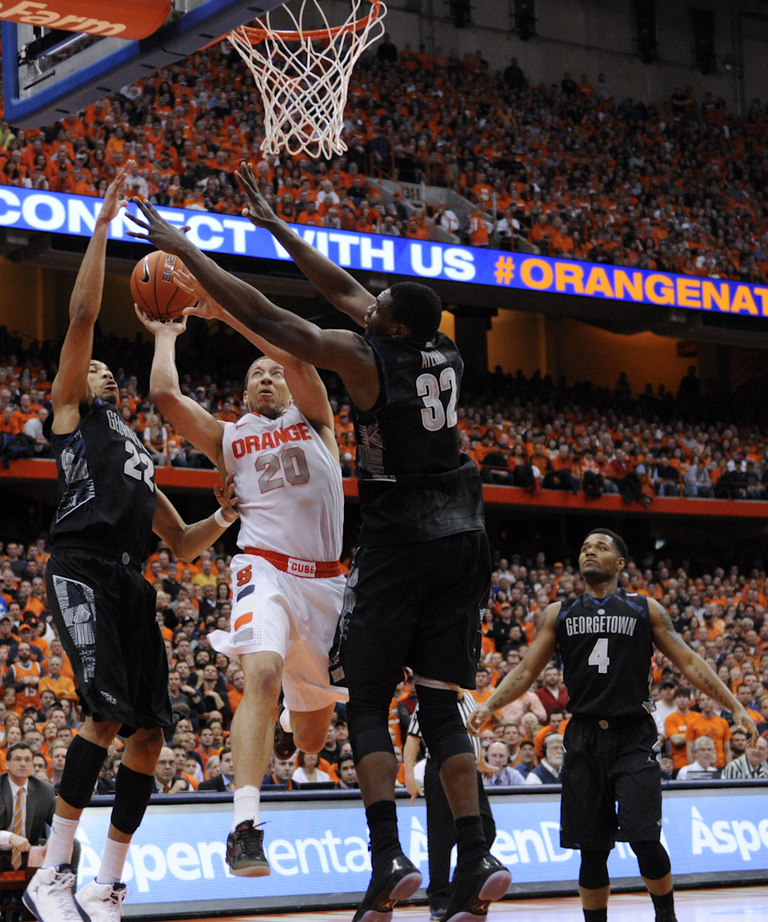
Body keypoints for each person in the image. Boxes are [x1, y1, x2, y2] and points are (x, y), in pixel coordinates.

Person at [126, 163, 511, 922]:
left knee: (361, 700)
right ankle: (475, 854)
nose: (365, 315)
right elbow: (345, 294)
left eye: (376, 315)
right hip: (463, 531)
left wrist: (189, 253)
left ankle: (389, 859)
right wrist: (277, 229)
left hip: (393, 541)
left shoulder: (356, 374)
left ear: (390, 328)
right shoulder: (441, 352)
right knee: (437, 705)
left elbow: (284, 325)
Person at [23, 162, 239, 922]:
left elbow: (180, 543)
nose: (105, 371)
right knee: (105, 715)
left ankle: (105, 882)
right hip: (80, 567)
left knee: (149, 734)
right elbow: (82, 319)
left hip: (132, 580)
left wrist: (226, 515)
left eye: (115, 370)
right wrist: (103, 227)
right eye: (98, 369)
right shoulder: (72, 416)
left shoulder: (139, 451)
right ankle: (51, 874)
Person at [136, 270, 347, 878]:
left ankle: (286, 723)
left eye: (273, 370)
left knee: (310, 739)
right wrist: (168, 333)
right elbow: (167, 399)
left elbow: (294, 351)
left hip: (327, 583)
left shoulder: (316, 422)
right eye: (255, 373)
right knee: (260, 672)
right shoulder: (229, 439)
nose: (266, 376)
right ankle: (244, 828)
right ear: (243, 391)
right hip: (262, 569)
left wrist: (223, 311)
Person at [468, 528, 758, 922]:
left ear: (620, 563)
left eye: (600, 547)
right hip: (584, 735)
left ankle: (666, 916)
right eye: (585, 547)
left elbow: (689, 662)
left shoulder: (645, 608)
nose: (589, 552)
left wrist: (735, 706)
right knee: (592, 850)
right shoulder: (559, 612)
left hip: (633, 735)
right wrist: (490, 705)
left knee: (644, 839)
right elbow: (525, 670)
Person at [403, 690, 496, 921]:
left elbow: (473, 734)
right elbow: (413, 738)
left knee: (487, 828)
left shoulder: (471, 698)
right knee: (441, 836)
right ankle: (439, 899)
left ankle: (461, 883)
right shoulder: (430, 699)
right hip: (440, 767)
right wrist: (409, 776)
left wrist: (481, 761)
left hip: (469, 769)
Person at [0, 743, 79, 922]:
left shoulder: (45, 789)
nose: (23, 764)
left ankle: (65, 904)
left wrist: (56, 837)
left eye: (27, 760)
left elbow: (60, 824)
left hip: (29, 856)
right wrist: (10, 837)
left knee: (72, 843)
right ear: (6, 765)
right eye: (18, 759)